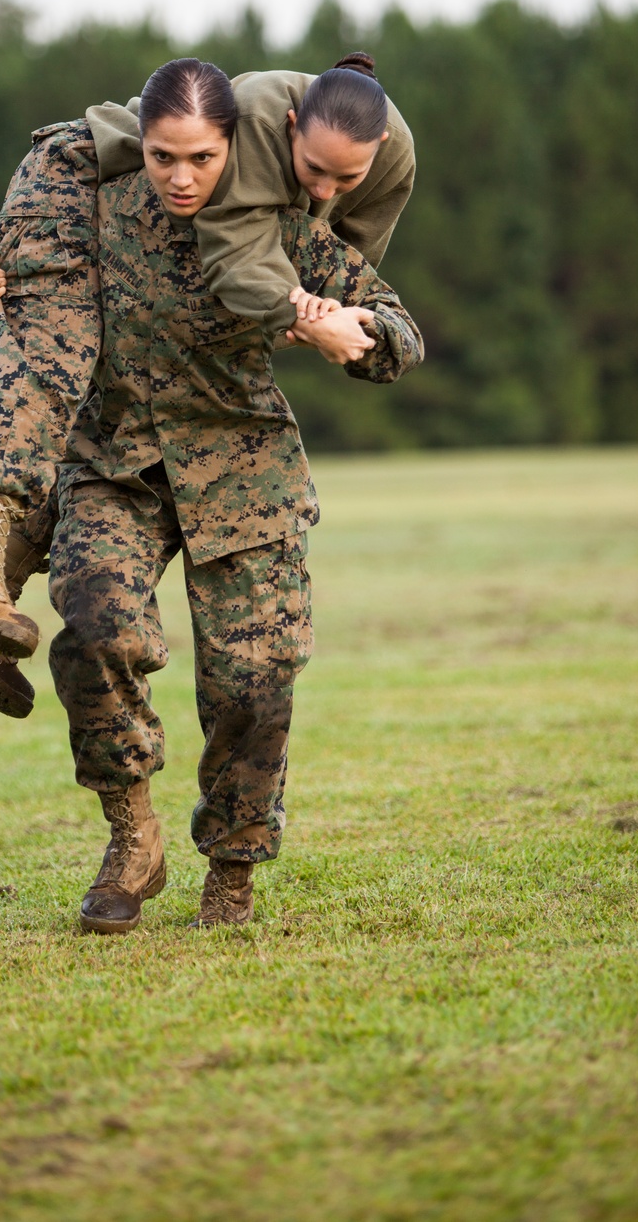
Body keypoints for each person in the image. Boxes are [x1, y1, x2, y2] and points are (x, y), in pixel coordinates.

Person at [0, 55, 415, 715]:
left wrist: (329, 310)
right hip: (72, 170)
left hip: (195, 384)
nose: (323, 189)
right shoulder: (247, 128)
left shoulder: (381, 164)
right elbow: (237, 267)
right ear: (288, 130)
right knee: (59, 365)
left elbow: (331, 250)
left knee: (113, 413)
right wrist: (23, 277)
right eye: (312, 170)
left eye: (344, 177)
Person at [44, 58, 423, 932]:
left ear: (237, 143)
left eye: (203, 158)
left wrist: (357, 336)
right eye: (163, 155)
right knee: (95, 627)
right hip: (116, 463)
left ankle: (234, 869)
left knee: (256, 683)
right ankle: (130, 836)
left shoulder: (289, 234)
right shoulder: (100, 217)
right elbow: (37, 302)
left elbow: (395, 320)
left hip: (241, 465)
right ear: (142, 145)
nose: (183, 176)